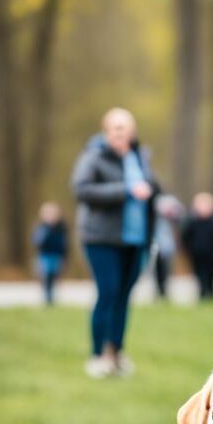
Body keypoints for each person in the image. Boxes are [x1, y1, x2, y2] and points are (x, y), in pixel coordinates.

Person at [72, 107, 160, 378]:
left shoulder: (140, 157)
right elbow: (81, 190)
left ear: (132, 132)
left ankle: (117, 353)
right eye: (116, 128)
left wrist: (157, 196)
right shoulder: (93, 156)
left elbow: (153, 187)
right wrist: (126, 190)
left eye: (126, 129)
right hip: (101, 238)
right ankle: (97, 355)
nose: (121, 134)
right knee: (107, 292)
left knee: (123, 297)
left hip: (135, 239)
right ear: (106, 131)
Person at [182, 192, 213, 300]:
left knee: (212, 273)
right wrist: (189, 249)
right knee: (199, 274)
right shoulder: (191, 221)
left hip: (211, 253)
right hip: (196, 253)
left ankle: (211, 293)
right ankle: (202, 293)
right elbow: (185, 236)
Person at [31, 201, 68, 305]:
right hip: (45, 256)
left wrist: (65, 257)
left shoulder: (61, 228)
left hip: (57, 256)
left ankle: (51, 297)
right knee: (46, 276)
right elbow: (37, 242)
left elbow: (64, 244)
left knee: (54, 277)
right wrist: (47, 231)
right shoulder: (41, 227)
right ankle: (47, 298)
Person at [152, 194, 183, 300]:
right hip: (153, 245)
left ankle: (164, 292)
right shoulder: (152, 213)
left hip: (167, 247)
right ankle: (158, 292)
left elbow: (179, 217)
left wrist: (171, 212)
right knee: (155, 271)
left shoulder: (172, 217)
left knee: (166, 270)